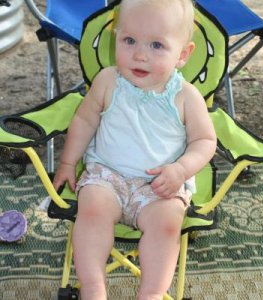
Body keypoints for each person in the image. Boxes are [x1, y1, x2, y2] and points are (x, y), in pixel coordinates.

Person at [53, 0, 217, 299]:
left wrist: (180, 170)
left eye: (156, 45)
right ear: (116, 38)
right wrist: (67, 162)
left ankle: (152, 293)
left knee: (167, 226)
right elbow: (85, 119)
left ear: (183, 54)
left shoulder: (185, 96)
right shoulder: (108, 81)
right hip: (107, 176)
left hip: (159, 185)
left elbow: (205, 142)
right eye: (129, 41)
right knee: (91, 213)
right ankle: (92, 287)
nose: (140, 55)